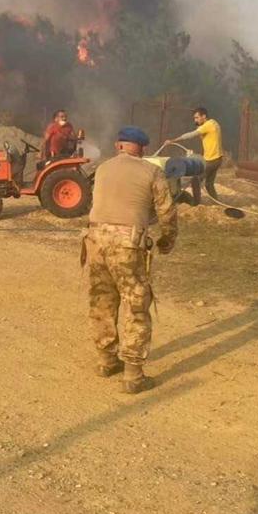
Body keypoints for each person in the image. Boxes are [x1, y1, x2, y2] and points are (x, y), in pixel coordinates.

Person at [82, 126, 177, 393]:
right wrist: (167, 239)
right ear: (142, 149)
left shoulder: (102, 168)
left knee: (102, 300)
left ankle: (106, 361)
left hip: (95, 240)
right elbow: (167, 211)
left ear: (118, 145)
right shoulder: (152, 171)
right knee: (135, 304)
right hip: (127, 245)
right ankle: (133, 376)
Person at [167, 106, 223, 200]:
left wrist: (172, 141)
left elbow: (191, 135)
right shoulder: (213, 123)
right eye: (194, 118)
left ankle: (196, 202)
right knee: (209, 184)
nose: (195, 120)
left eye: (197, 117)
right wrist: (198, 124)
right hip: (218, 159)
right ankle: (216, 201)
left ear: (204, 116)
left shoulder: (208, 125)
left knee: (195, 181)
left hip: (211, 160)